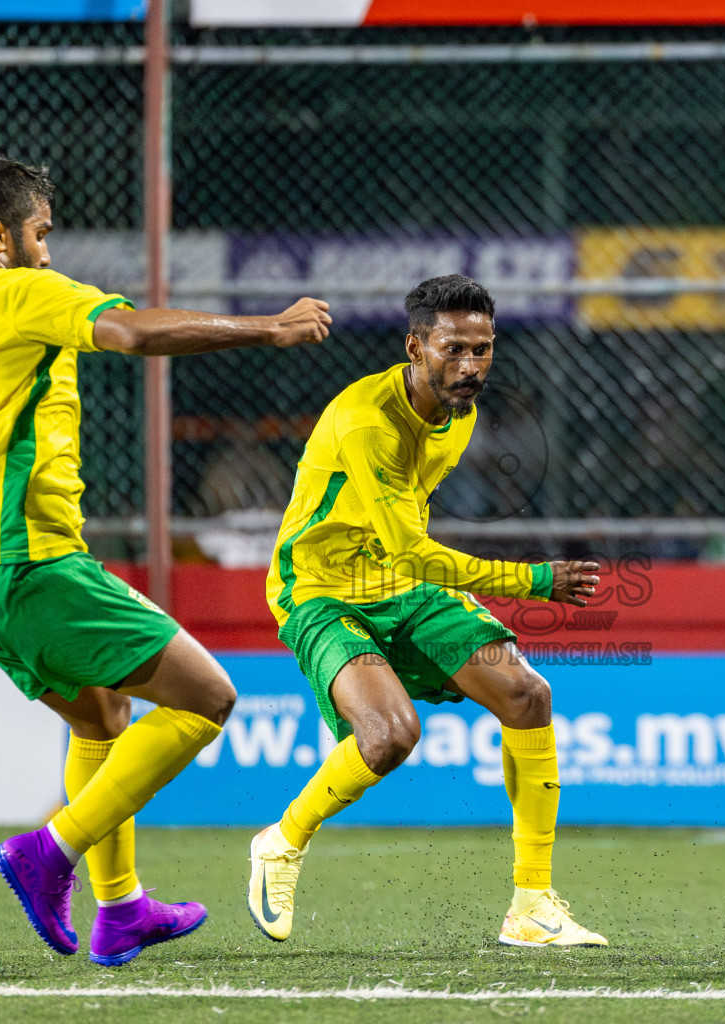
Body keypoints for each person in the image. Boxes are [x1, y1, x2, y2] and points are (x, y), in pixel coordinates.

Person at [0, 156, 332, 966]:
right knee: (208, 697)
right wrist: (268, 327)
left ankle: (122, 910)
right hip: (28, 561)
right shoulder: (19, 293)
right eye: (40, 232)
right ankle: (50, 850)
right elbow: (131, 332)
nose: (47, 250)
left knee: (101, 717)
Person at [246, 274, 607, 949]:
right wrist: (532, 581)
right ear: (415, 347)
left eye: (482, 349)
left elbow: (406, 547)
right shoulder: (369, 422)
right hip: (320, 588)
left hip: (401, 585)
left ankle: (531, 905)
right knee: (389, 737)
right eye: (453, 350)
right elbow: (411, 548)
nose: (470, 366)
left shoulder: (458, 413)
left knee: (527, 695)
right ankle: (281, 841)